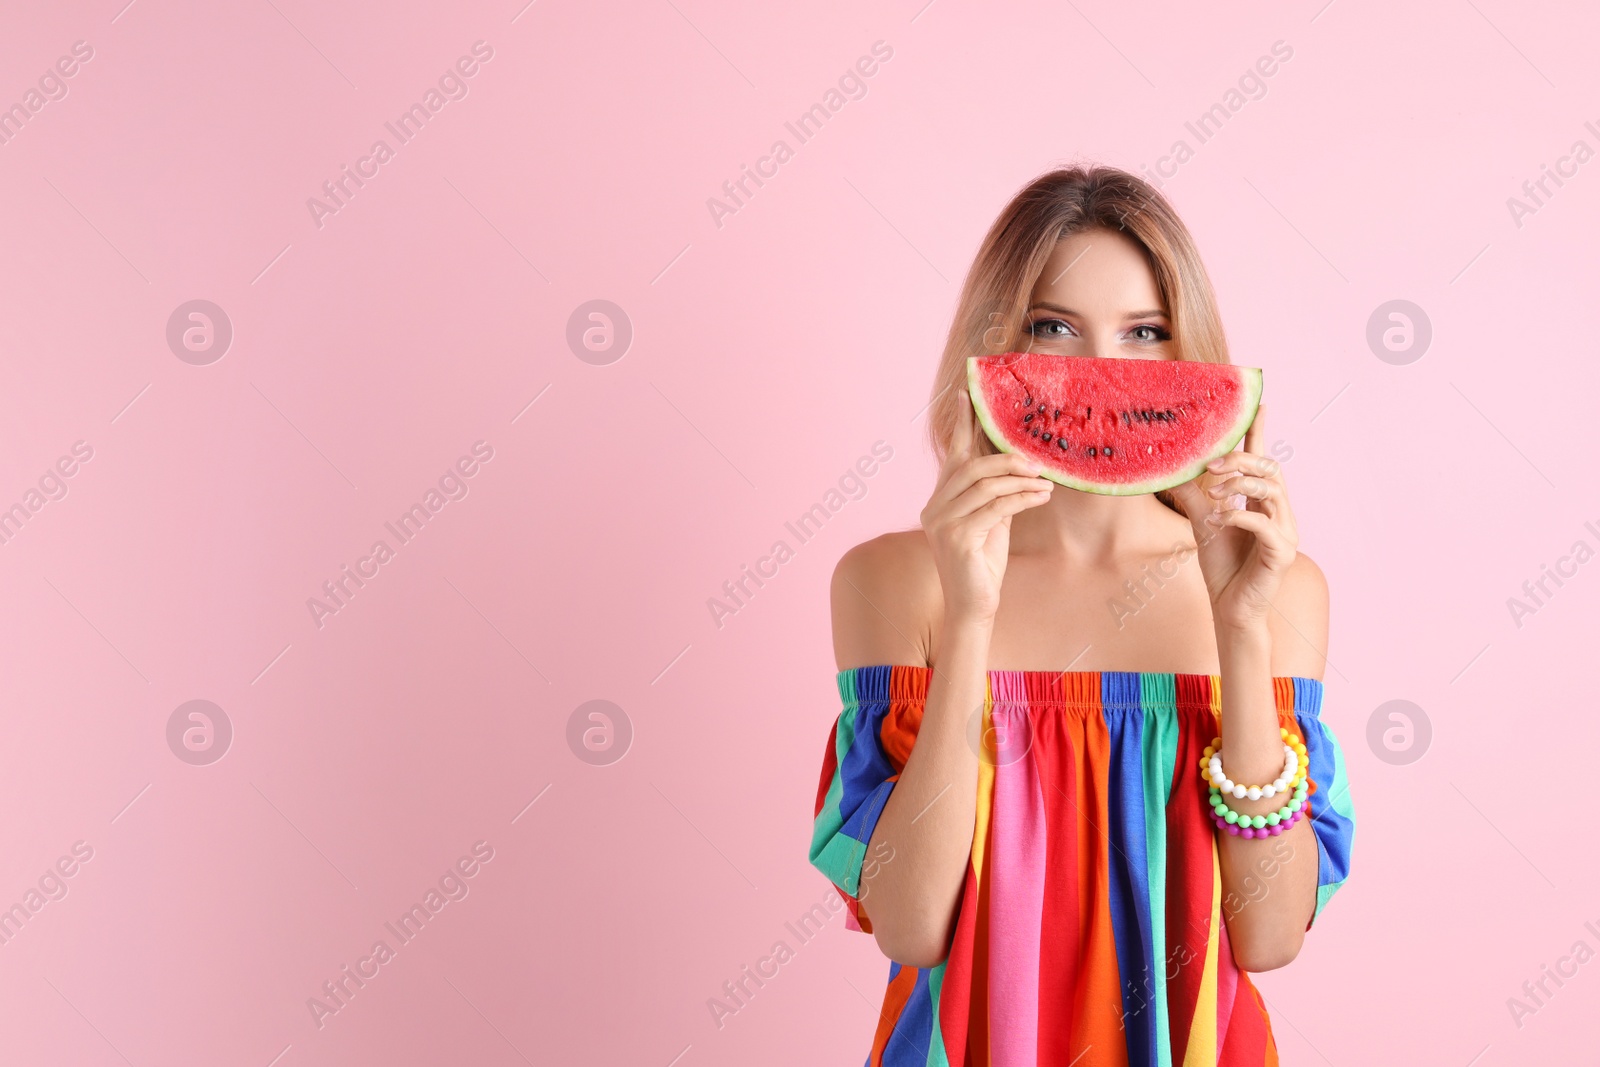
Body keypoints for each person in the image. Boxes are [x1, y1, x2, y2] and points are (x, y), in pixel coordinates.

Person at [808, 165, 1356, 1066]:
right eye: (1052, 326)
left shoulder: (1283, 589)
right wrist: (973, 612)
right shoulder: (895, 581)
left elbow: (1267, 936)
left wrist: (1241, 625)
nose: (1100, 370)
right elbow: (908, 925)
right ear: (993, 347)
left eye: (1145, 333)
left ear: (1192, 359)